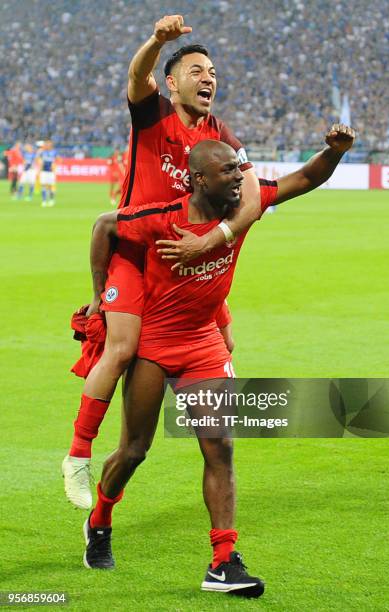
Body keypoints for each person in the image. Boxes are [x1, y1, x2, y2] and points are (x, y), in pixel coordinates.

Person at [80, 127, 355, 597]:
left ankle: (223, 561)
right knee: (134, 451)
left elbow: (306, 178)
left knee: (219, 446)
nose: (240, 176)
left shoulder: (241, 206)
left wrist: (333, 152)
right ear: (199, 180)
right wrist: (100, 296)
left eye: (238, 167)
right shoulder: (162, 217)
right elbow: (105, 226)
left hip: (203, 343)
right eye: (228, 169)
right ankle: (101, 517)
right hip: (153, 346)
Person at [62, 15, 261, 510]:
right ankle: (78, 456)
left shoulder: (219, 133)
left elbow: (254, 192)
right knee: (124, 346)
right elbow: (135, 77)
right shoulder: (153, 114)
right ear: (171, 83)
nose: (208, 78)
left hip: (187, 261)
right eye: (196, 71)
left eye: (212, 71)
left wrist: (218, 235)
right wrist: (156, 40)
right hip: (136, 250)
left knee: (225, 339)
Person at [38, 140, 58, 207]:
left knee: (50, 186)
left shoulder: (54, 152)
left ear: (51, 145)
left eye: (48, 144)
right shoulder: (42, 152)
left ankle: (51, 200)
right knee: (43, 186)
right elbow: (38, 160)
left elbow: (59, 160)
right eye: (46, 144)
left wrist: (55, 165)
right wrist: (39, 166)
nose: (47, 145)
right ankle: (44, 201)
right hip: (44, 171)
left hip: (51, 172)